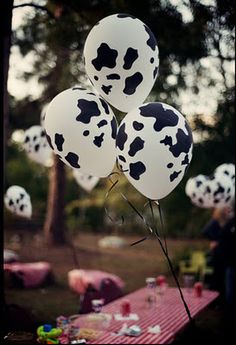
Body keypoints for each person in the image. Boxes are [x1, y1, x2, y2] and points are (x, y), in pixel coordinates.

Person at [202, 204, 236, 312]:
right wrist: (215, 240)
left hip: (223, 256)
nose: (228, 211)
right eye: (226, 209)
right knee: (217, 278)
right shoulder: (215, 221)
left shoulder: (225, 222)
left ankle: (219, 302)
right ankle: (215, 302)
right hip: (218, 255)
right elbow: (205, 231)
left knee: (220, 278)